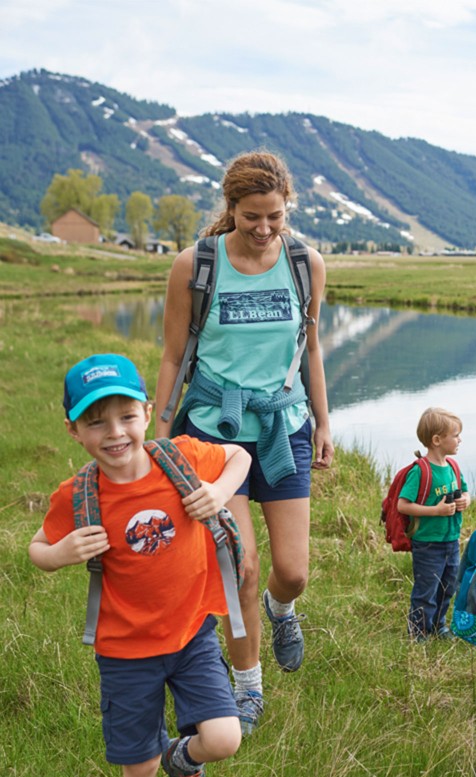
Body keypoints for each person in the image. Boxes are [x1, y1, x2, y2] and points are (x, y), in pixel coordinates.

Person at [155, 150, 335, 735]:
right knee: (241, 564)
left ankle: (282, 612)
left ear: (289, 210)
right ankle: (247, 688)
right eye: (251, 217)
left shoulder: (306, 264)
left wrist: (325, 424)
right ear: (230, 208)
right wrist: (160, 431)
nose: (263, 230)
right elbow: (174, 354)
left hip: (285, 426)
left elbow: (309, 350)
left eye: (274, 217)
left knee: (292, 572)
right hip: (212, 430)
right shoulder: (194, 264)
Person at [29, 353, 251, 777]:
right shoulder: (77, 495)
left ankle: (182, 760)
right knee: (139, 767)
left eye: (127, 416)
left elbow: (239, 456)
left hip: (192, 634)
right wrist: (59, 553)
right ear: (73, 430)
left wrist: (218, 492)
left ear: (147, 413)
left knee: (226, 737)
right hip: (125, 651)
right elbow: (37, 548)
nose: (114, 433)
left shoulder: (181, 459)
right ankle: (160, 764)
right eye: (95, 423)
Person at [397, 407, 470, 641]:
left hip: (451, 540)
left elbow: (466, 492)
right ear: (437, 440)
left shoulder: (452, 468)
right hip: (428, 543)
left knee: (448, 586)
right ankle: (418, 631)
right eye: (455, 435)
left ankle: (439, 625)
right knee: (426, 588)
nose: (460, 440)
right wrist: (435, 511)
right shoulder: (421, 471)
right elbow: (403, 505)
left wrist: (465, 500)